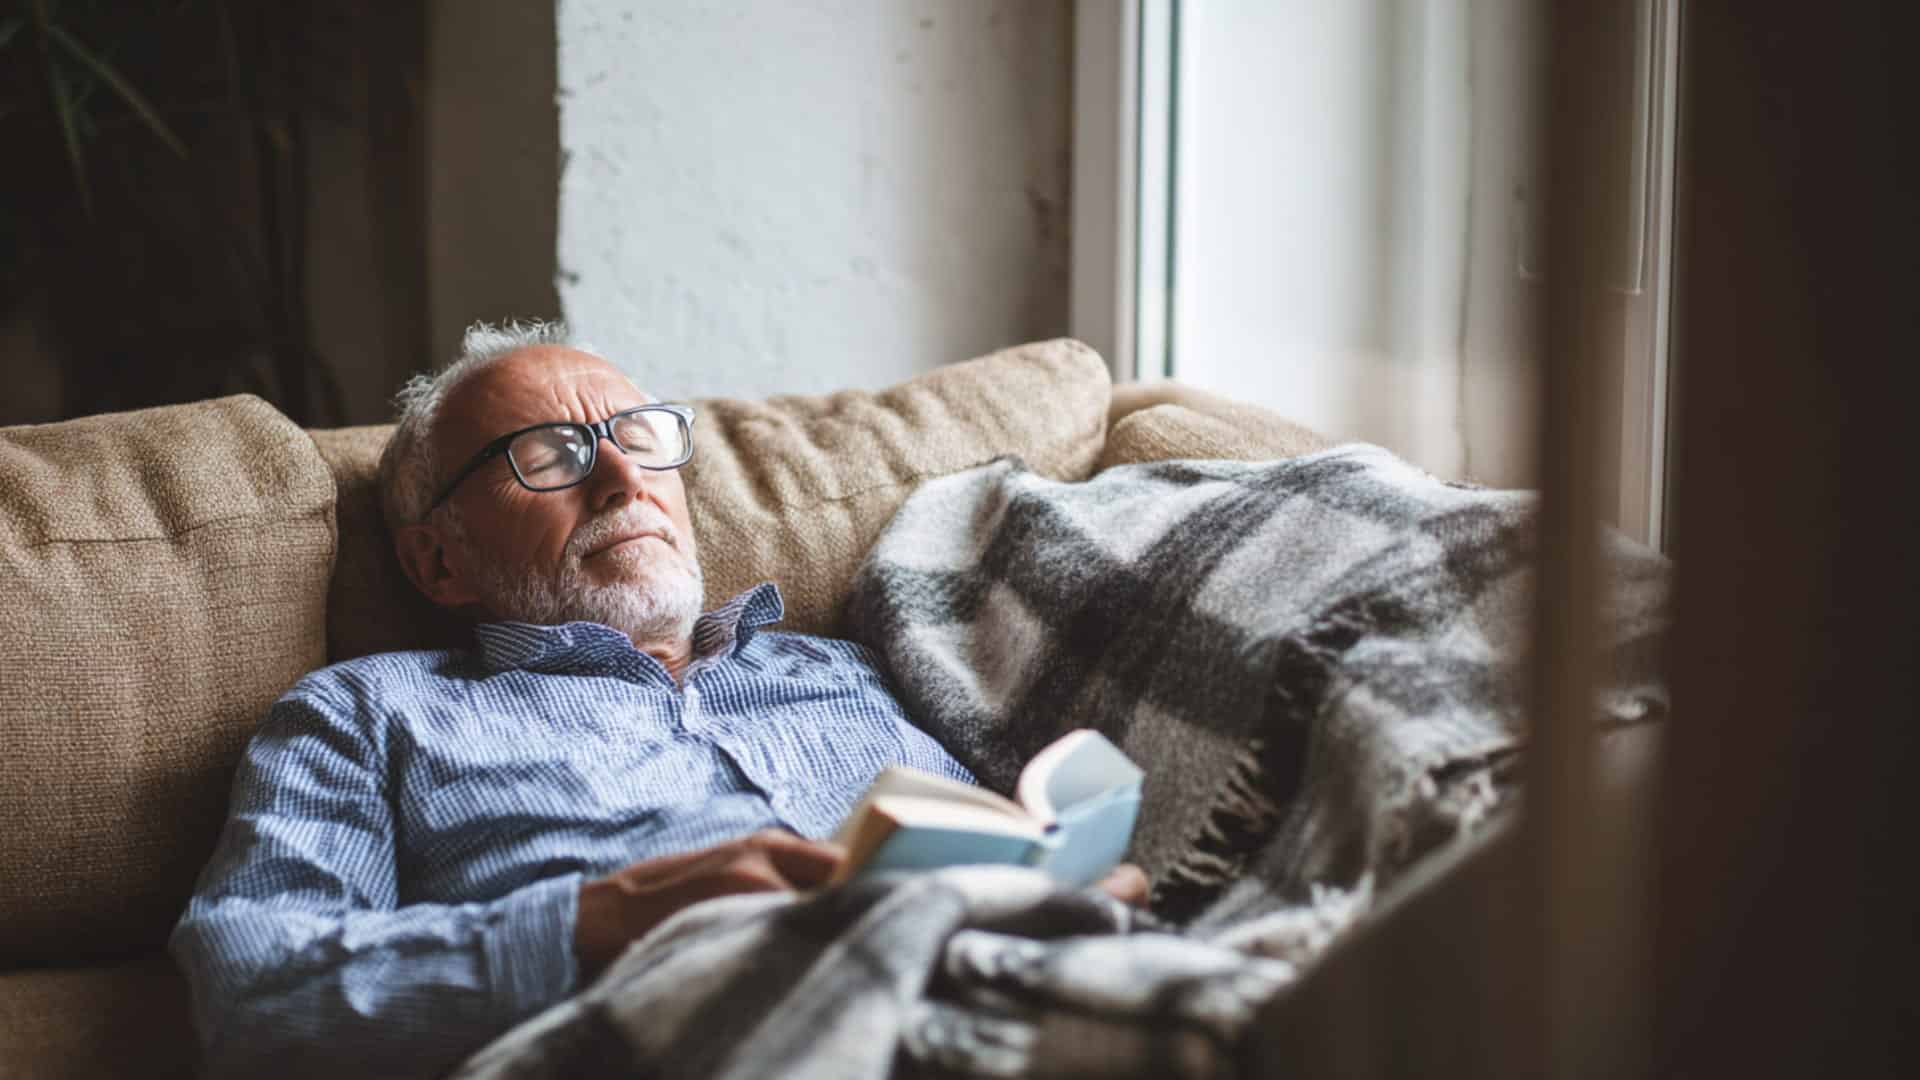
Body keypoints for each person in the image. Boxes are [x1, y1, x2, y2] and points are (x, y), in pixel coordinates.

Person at [169, 320, 1148, 1076]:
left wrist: (1064, 884)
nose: (623, 475)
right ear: (438, 558)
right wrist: (618, 914)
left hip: (999, 1000)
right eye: (548, 455)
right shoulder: (363, 716)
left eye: (640, 435)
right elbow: (258, 1000)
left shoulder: (846, 669)